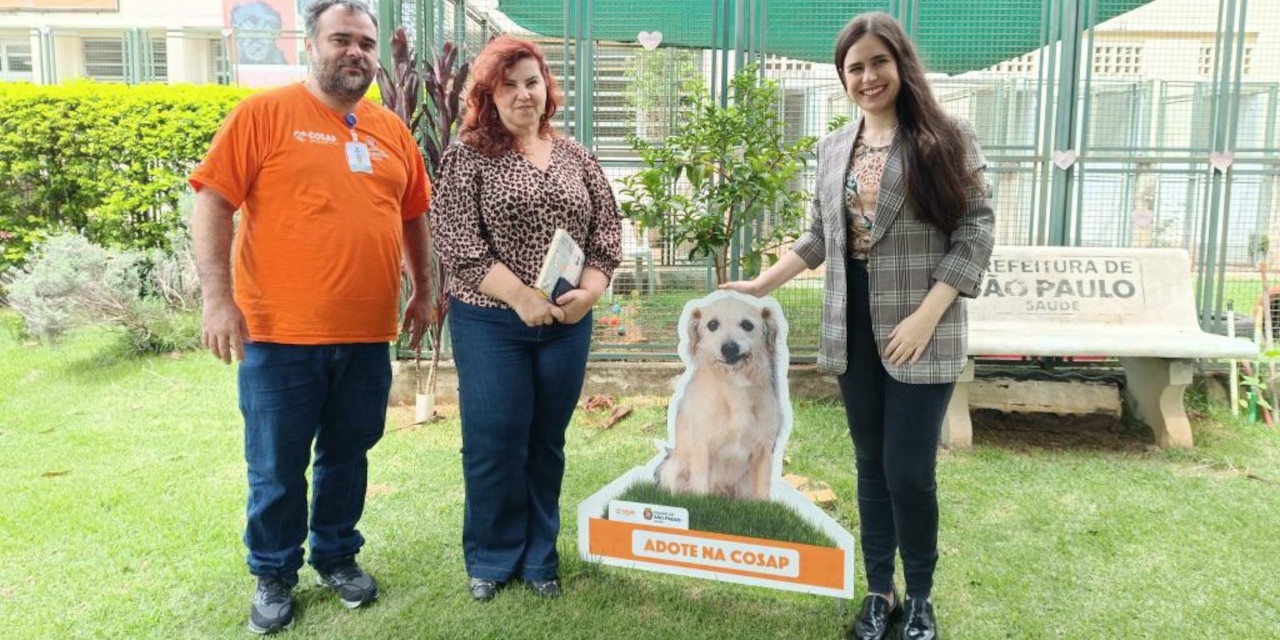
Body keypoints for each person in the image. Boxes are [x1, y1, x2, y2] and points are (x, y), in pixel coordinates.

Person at [722, 12, 994, 640]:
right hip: (851, 323)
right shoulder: (833, 148)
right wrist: (763, 285)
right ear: (842, 78)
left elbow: (975, 231)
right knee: (870, 464)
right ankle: (880, 593)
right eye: (855, 68)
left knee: (909, 469)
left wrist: (928, 316)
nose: (867, 77)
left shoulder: (948, 138)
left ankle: (921, 599)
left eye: (878, 63)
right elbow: (822, 236)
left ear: (901, 65)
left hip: (923, 320)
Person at [189, 0, 432, 634]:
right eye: (342, 40)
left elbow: (413, 215)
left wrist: (425, 288)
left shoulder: (390, 130)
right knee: (275, 464)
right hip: (279, 335)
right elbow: (213, 205)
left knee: (349, 456)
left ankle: (336, 556)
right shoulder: (262, 116)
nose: (356, 53)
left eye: (367, 44)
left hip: (367, 333)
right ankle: (273, 572)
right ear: (312, 46)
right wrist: (218, 299)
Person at [429, 35, 622, 602]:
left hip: (566, 325)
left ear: (546, 89)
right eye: (508, 84)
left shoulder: (576, 157)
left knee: (545, 441)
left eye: (531, 81)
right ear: (489, 94)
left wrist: (590, 292)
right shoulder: (468, 155)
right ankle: (491, 556)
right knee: (494, 441)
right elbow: (454, 238)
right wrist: (520, 297)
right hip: (491, 321)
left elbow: (606, 232)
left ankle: (541, 556)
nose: (522, 94)